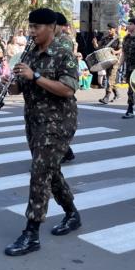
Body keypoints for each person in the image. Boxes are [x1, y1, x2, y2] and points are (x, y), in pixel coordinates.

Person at [3, 8, 80, 256]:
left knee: (39, 173)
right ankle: (72, 213)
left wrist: (34, 76)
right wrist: (11, 82)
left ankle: (31, 232)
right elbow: (18, 89)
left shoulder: (63, 54)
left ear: (51, 27)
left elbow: (68, 89)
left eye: (37, 27)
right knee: (50, 171)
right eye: (31, 27)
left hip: (58, 123)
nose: (32, 32)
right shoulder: (31, 53)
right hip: (35, 121)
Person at [55, 12, 76, 163]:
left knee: (62, 124)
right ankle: (66, 152)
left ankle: (60, 153)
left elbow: (60, 59)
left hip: (63, 81)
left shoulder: (65, 40)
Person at [97, 23, 121, 104]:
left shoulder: (118, 38)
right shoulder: (105, 38)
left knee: (110, 78)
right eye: (108, 29)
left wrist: (115, 51)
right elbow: (99, 48)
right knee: (110, 78)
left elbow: (121, 49)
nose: (109, 30)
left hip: (114, 61)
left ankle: (106, 97)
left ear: (115, 29)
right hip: (106, 61)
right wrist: (95, 44)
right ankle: (117, 94)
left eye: (111, 29)